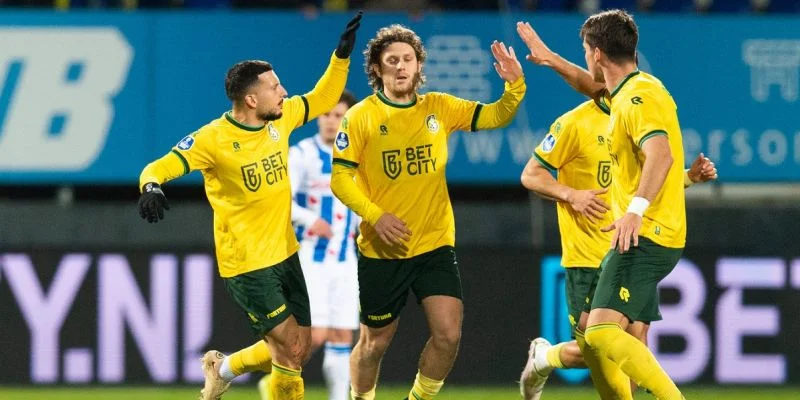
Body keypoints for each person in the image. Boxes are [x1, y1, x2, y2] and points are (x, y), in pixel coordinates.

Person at [136, 11, 362, 400]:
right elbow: (160, 165)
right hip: (247, 263)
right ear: (252, 99)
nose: (284, 92)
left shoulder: (281, 120)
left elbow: (323, 97)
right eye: (275, 87)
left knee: (299, 349)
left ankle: (222, 369)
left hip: (286, 252)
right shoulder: (213, 139)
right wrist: (151, 185)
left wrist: (340, 57)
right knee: (288, 352)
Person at [329, 25, 525, 400]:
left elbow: (496, 116)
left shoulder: (439, 107)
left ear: (419, 65)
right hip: (383, 250)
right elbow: (340, 179)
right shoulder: (360, 117)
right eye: (392, 60)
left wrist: (514, 86)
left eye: (408, 59)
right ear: (377, 69)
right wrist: (375, 215)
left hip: (434, 244)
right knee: (374, 344)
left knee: (448, 335)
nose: (401, 66)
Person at [520, 9, 691, 400]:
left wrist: (635, 210)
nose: (585, 59)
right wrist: (550, 60)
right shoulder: (634, 90)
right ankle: (546, 358)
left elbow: (661, 154)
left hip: (646, 233)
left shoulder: (636, 98)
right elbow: (592, 85)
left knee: (602, 334)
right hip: (642, 235)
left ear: (596, 53)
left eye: (585, 51)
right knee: (602, 337)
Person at [517, 98, 717, 399]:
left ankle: (548, 358)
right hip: (588, 255)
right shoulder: (573, 123)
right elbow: (531, 175)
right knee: (596, 348)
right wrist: (571, 194)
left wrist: (688, 177)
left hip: (630, 249)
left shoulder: (634, 116)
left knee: (635, 340)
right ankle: (545, 357)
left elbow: (645, 181)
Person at [257, 90, 360, 400]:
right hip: (310, 259)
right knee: (312, 336)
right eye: (326, 114)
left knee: (343, 334)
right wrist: (309, 219)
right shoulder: (302, 154)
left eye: (338, 116)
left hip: (346, 259)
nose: (331, 121)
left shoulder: (358, 155)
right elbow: (279, 199)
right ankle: (273, 381)